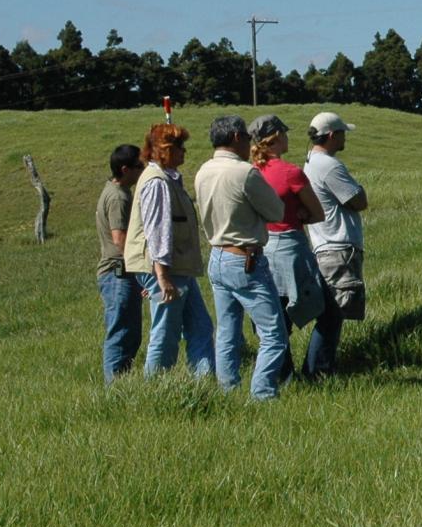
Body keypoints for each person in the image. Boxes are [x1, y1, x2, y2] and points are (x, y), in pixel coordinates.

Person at [195, 114, 291, 400]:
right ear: (237, 138)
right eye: (247, 138)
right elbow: (276, 212)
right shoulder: (244, 172)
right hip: (246, 258)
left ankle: (228, 392)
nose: (250, 143)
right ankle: (262, 394)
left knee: (227, 332)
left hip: (218, 255)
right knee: (274, 334)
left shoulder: (203, 171)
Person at [123, 123, 215, 378]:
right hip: (166, 270)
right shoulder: (157, 183)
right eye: (178, 147)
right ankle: (155, 389)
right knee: (165, 332)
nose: (184, 152)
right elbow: (158, 230)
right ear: (164, 150)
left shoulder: (166, 178)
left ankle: (205, 384)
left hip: (177, 268)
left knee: (200, 327)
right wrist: (162, 276)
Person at [248, 115, 326, 341]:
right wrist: (301, 215)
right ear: (277, 136)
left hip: (262, 246)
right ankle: (317, 367)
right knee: (326, 311)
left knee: (277, 316)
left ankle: (283, 371)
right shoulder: (291, 172)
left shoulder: (252, 172)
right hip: (290, 247)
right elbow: (318, 213)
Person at [303, 111, 367, 377]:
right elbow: (358, 200)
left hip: (323, 244)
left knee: (331, 312)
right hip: (337, 246)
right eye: (342, 133)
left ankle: (318, 369)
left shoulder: (311, 163)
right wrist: (360, 189)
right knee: (333, 313)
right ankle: (319, 371)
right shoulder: (329, 166)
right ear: (331, 136)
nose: (344, 139)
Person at [95, 143, 144, 382]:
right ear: (125, 169)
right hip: (118, 275)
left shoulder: (116, 191)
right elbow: (120, 239)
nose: (142, 170)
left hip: (120, 274)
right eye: (138, 166)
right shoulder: (118, 197)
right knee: (121, 332)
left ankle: (122, 381)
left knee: (130, 332)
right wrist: (142, 272)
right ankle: (113, 387)